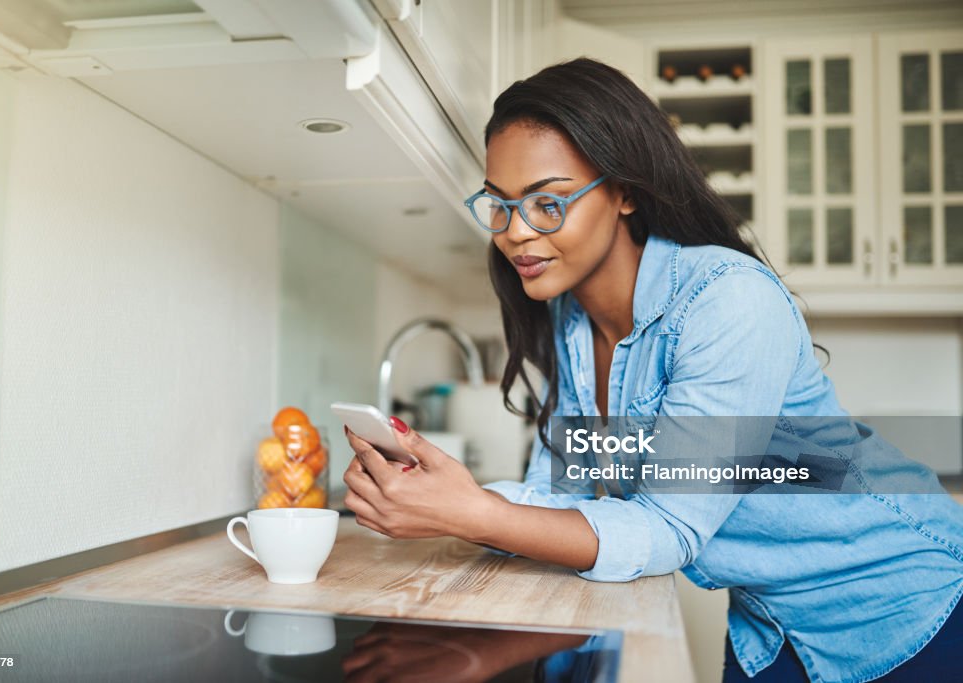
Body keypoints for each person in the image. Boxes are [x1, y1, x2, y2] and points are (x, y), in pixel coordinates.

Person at [341, 58, 963, 682]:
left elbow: (670, 528)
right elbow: (560, 496)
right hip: (770, 627)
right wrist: (442, 493)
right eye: (500, 205)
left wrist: (469, 514)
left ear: (626, 192)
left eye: (549, 203)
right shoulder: (571, 321)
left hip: (906, 603)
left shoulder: (728, 300)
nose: (517, 233)